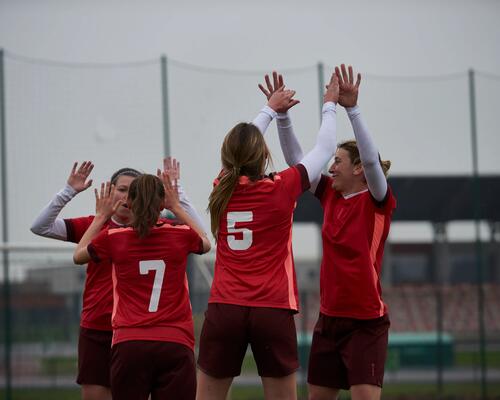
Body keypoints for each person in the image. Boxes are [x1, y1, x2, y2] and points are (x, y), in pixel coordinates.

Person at [196, 73, 339, 400]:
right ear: (263, 155)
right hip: (271, 308)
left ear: (226, 158)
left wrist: (270, 110)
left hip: (225, 307)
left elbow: (241, 148)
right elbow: (326, 148)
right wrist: (329, 104)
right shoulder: (282, 187)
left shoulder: (222, 187)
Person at [262, 65, 396, 400]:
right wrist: (282, 118)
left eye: (337, 161)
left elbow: (371, 162)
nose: (331, 166)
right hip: (329, 320)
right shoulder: (332, 196)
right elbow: (300, 163)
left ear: (358, 170)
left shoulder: (376, 199)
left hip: (366, 323)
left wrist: (351, 108)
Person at [30, 160, 204, 400]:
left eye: (131, 191)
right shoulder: (95, 226)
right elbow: (40, 226)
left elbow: (77, 256)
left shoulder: (157, 231)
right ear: (110, 191)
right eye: (121, 189)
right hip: (100, 328)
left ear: (139, 198)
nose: (125, 196)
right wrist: (69, 191)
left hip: (130, 333)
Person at [73, 173, 211, 400]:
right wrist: (176, 207)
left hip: (130, 343)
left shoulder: (114, 237)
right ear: (161, 203)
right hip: (175, 342)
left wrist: (100, 217)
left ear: (130, 203)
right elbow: (205, 242)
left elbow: (79, 256)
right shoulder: (180, 234)